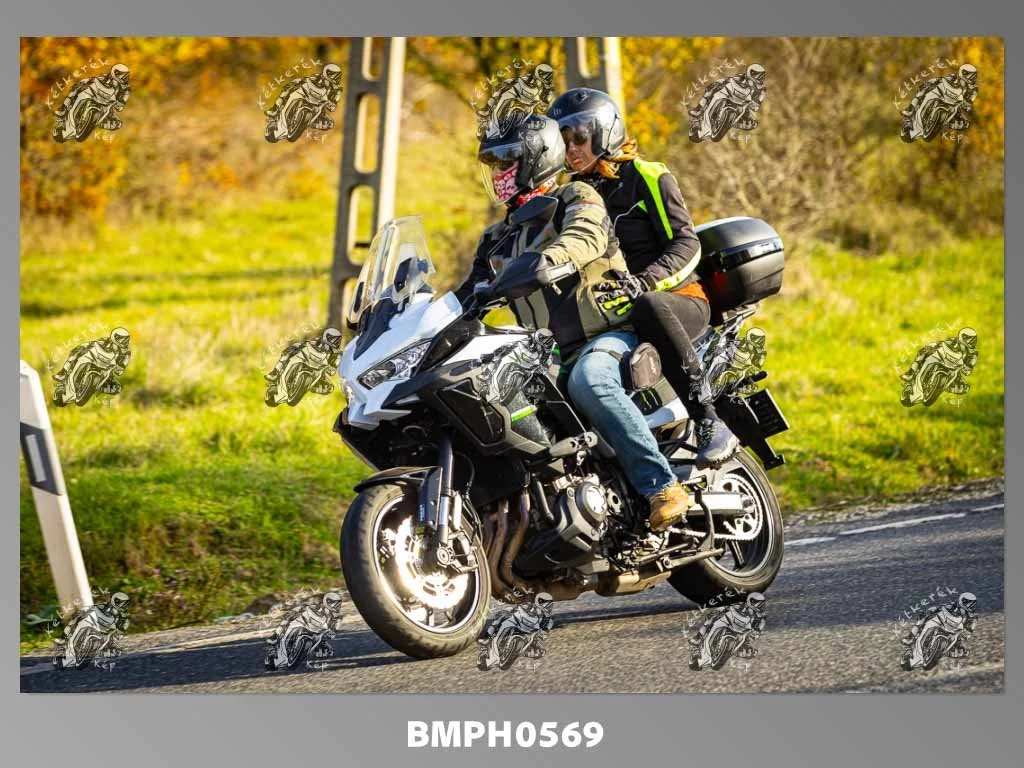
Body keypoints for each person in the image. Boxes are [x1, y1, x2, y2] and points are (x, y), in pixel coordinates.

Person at [456, 114, 693, 531]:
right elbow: (466, 295)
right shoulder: (497, 238)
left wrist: (548, 260)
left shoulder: (576, 196)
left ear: (536, 159)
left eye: (507, 162)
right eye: (493, 165)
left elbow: (585, 236)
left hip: (610, 335)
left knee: (590, 380)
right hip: (547, 353)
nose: (499, 174)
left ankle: (662, 486)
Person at [547, 88, 739, 468]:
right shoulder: (570, 197)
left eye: (579, 136)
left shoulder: (647, 176)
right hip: (618, 315)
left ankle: (709, 421)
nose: (571, 149)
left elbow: (687, 243)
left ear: (604, 132)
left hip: (679, 300)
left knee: (649, 305)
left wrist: (646, 281)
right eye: (562, 141)